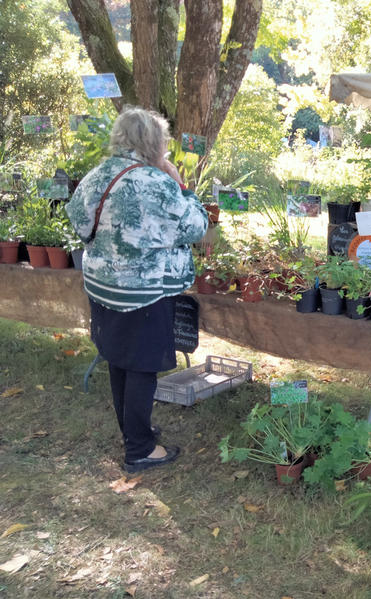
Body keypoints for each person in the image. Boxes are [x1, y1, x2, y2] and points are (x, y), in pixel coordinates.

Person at [66, 106, 208, 473]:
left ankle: (133, 432)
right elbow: (196, 226)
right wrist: (179, 183)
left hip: (102, 286)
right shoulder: (156, 183)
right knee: (142, 365)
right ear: (154, 143)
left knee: (119, 360)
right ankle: (140, 450)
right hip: (142, 292)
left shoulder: (98, 174)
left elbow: (77, 220)